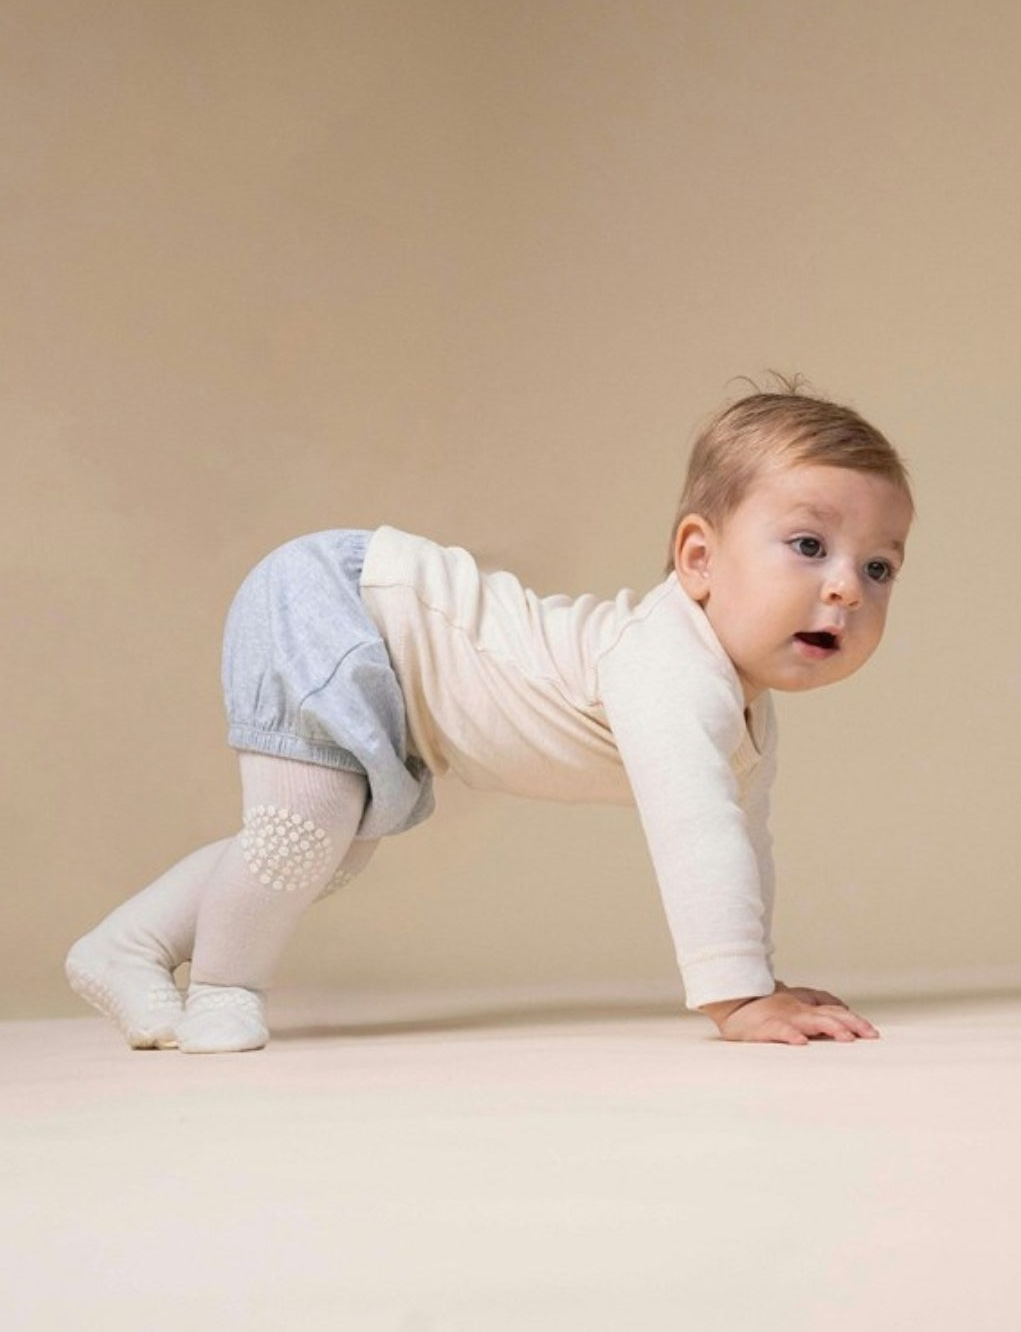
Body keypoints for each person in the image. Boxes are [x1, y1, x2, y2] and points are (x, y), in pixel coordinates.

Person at [67, 385, 914, 1053]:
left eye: (878, 567)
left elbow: (742, 842)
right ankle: (223, 989)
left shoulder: (740, 708)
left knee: (325, 847)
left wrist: (760, 979)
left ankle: (126, 947)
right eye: (809, 546)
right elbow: (697, 835)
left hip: (390, 650)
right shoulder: (668, 665)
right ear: (698, 559)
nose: (847, 587)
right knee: (305, 826)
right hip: (343, 599)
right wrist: (738, 997)